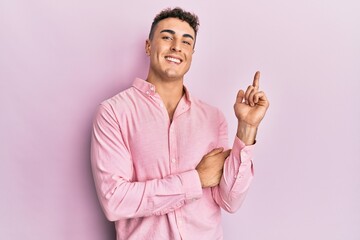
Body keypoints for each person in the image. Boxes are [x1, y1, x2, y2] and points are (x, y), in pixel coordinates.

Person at [91, 7, 269, 240]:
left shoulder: (213, 118)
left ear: (192, 54)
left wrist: (246, 129)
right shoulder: (114, 112)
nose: (176, 47)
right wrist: (196, 179)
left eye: (186, 42)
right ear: (148, 46)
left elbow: (230, 200)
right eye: (167, 37)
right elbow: (115, 200)